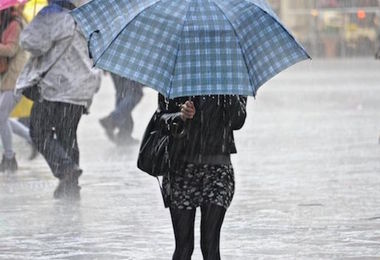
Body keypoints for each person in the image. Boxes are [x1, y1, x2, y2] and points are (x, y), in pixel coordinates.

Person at [16, 0, 101, 199]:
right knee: (68, 135)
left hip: (57, 87)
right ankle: (71, 187)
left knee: (38, 131)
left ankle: (66, 170)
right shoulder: (86, 19)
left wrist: (35, 25)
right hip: (82, 88)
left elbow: (31, 43)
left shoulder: (51, 15)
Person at [153, 94, 247, 260]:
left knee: (210, 245)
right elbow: (160, 120)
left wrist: (227, 90)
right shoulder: (178, 76)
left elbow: (237, 120)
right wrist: (179, 116)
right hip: (181, 170)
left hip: (218, 171)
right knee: (184, 246)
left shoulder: (232, 76)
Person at [0, 7, 32, 172]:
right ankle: (34, 139)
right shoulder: (4, 23)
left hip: (15, 77)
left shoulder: (14, 24)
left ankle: (9, 157)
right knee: (2, 118)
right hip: (6, 78)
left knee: (1, 117)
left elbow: (11, 49)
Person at [99, 73, 144, 145]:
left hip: (117, 65)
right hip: (129, 67)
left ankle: (124, 134)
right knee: (134, 93)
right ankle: (112, 119)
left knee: (122, 93)